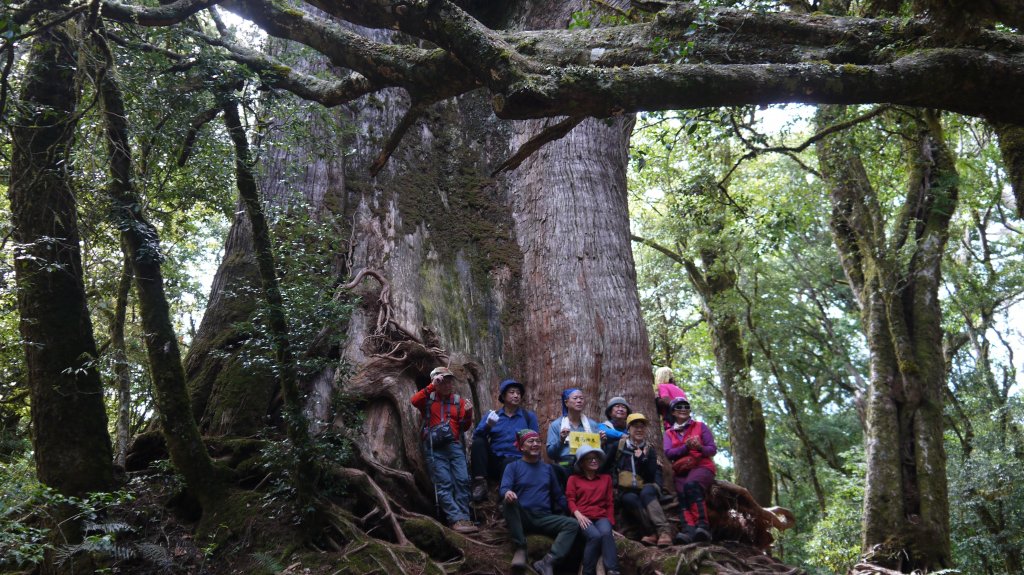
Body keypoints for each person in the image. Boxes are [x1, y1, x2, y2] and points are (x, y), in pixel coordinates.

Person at [500, 429, 580, 575]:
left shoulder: (547, 469)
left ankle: (548, 561)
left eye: (538, 441)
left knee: (572, 524)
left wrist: (574, 512)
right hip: (523, 516)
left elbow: (558, 496)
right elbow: (504, 488)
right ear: (522, 447)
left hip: (544, 518)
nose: (535, 444)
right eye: (531, 441)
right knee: (508, 502)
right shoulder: (513, 467)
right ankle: (520, 548)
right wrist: (508, 492)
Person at [411, 366, 478, 534]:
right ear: (435, 381)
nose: (447, 384)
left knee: (462, 480)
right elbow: (414, 401)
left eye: (449, 381)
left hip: (454, 445)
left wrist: (469, 414)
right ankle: (455, 519)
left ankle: (465, 517)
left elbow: (464, 426)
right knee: (443, 483)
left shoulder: (458, 401)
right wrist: (432, 385)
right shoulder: (428, 398)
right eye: (443, 381)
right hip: (434, 447)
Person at [604, 413, 673, 547]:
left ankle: (664, 531)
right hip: (627, 488)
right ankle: (651, 533)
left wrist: (642, 458)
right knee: (629, 499)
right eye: (635, 426)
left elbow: (651, 475)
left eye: (642, 427)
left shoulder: (649, 449)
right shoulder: (618, 446)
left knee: (646, 493)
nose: (639, 430)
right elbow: (606, 466)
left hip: (648, 484)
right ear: (628, 429)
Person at [470, 378, 539, 502]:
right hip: (495, 461)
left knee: (509, 462)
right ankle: (480, 483)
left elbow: (536, 441)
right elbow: (477, 436)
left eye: (518, 393)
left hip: (517, 463)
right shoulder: (493, 415)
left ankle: (504, 496)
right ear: (503, 396)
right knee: (478, 443)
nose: (516, 395)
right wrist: (488, 426)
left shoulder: (528, 417)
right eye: (512, 392)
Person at [663, 397, 716, 544]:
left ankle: (703, 527)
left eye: (686, 406)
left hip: (702, 465)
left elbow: (712, 449)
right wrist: (686, 447)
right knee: (681, 496)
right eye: (678, 407)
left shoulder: (700, 426)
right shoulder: (669, 433)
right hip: (681, 470)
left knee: (691, 486)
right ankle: (689, 531)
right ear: (673, 412)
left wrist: (699, 448)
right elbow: (668, 453)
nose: (683, 409)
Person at [566, 444, 621, 575]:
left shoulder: (606, 478)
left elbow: (609, 502)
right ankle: (587, 571)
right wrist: (577, 515)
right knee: (595, 537)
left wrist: (610, 522)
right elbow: (570, 500)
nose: (594, 460)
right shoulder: (573, 479)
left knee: (606, 534)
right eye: (589, 459)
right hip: (582, 516)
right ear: (581, 463)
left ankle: (613, 570)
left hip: (601, 516)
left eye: (596, 458)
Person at [546, 388, 604, 487]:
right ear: (566, 402)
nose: (579, 401)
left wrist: (601, 443)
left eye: (581, 398)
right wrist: (561, 440)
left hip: (587, 466)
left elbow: (596, 451)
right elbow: (551, 454)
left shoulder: (592, 424)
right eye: (575, 398)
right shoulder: (557, 425)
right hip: (565, 465)